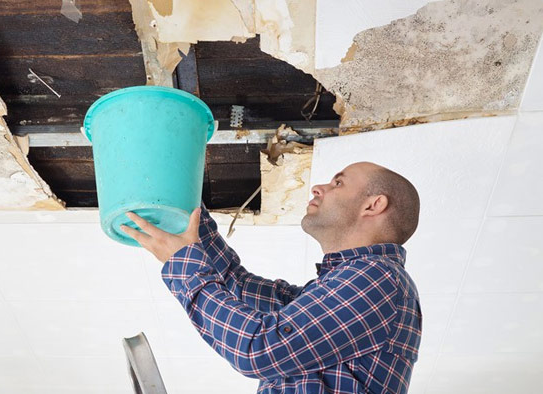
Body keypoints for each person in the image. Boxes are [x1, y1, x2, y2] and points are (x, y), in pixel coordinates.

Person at [121, 161, 422, 394]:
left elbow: (259, 350)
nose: (319, 188)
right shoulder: (335, 287)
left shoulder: (378, 279)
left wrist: (182, 264)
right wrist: (181, 197)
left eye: (338, 183)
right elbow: (234, 284)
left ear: (373, 205)